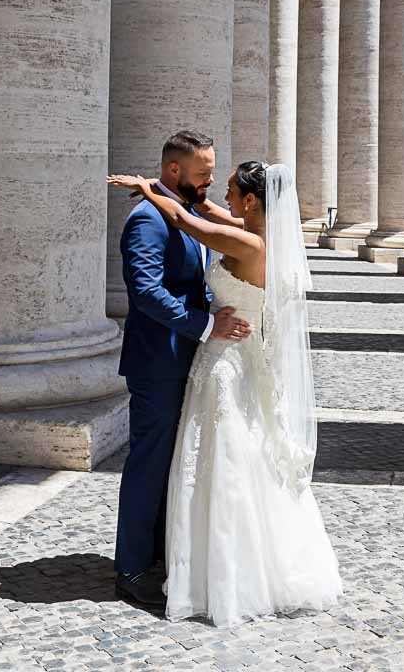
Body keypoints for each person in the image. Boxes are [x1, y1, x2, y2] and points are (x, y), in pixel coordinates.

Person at [108, 159, 342, 628]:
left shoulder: (245, 240)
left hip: (226, 362)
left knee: (221, 457)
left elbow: (184, 220)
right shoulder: (253, 231)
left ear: (252, 200)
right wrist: (192, 195)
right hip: (232, 356)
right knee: (235, 454)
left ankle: (214, 565)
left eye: (233, 188)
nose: (225, 194)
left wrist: (151, 189)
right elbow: (211, 212)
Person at [112, 131, 252, 607]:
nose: (210, 180)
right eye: (202, 172)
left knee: (174, 463)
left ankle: (160, 553)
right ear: (173, 171)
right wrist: (207, 323)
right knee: (148, 464)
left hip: (187, 358)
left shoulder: (187, 209)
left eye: (213, 171)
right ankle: (131, 569)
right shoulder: (146, 219)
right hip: (158, 363)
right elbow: (147, 293)